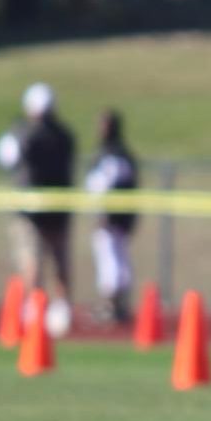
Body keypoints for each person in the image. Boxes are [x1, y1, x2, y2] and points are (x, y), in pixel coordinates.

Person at [0, 82, 76, 328]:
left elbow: (7, 158)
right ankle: (60, 309)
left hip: (31, 208)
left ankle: (36, 307)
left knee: (31, 260)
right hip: (58, 207)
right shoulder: (65, 135)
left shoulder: (24, 135)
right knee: (58, 260)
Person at [84, 109, 140, 324]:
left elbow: (104, 186)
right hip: (116, 216)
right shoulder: (114, 154)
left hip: (114, 217)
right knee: (115, 258)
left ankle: (113, 304)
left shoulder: (115, 155)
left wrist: (104, 211)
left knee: (112, 259)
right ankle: (115, 304)